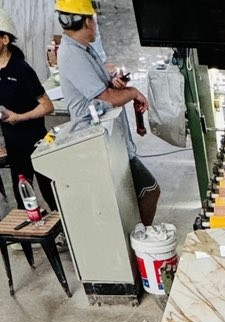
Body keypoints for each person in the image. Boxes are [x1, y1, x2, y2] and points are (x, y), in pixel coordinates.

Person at [55, 0, 160, 225]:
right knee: (149, 190)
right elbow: (107, 98)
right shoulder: (72, 54)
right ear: (86, 22)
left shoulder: (83, 49)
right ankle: (141, 237)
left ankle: (137, 235)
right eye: (93, 19)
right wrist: (132, 93)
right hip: (96, 140)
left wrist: (114, 82)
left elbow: (101, 90)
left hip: (111, 136)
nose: (96, 24)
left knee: (132, 197)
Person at [0, 7, 56, 211]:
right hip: (13, 145)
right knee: (23, 197)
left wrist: (20, 117)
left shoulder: (21, 69)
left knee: (50, 192)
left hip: (36, 141)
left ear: (5, 39)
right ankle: (34, 228)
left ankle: (63, 227)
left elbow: (47, 106)